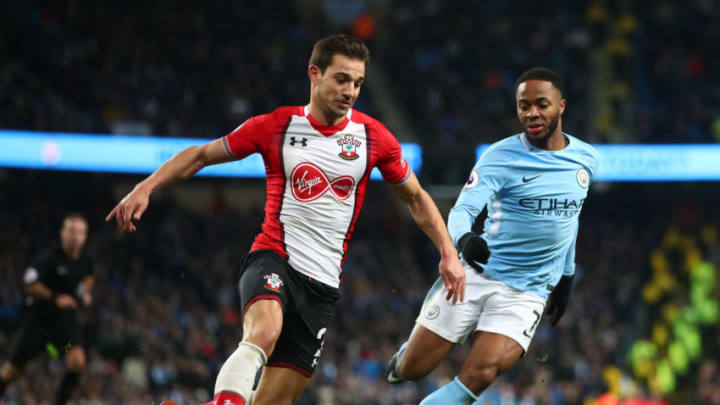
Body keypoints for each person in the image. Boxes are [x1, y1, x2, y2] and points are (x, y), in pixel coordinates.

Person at [105, 34, 466, 405]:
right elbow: (201, 155)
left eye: (357, 83)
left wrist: (448, 253)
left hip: (322, 287)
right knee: (263, 332)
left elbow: (417, 198)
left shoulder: (373, 138)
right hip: (273, 258)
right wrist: (145, 188)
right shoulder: (277, 126)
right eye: (341, 79)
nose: (350, 91)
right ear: (315, 74)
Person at [385, 67, 600, 404]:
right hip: (476, 274)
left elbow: (568, 219)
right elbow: (462, 211)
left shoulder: (586, 159)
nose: (531, 113)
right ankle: (403, 358)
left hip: (528, 291)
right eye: (523, 105)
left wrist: (567, 276)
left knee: (481, 373)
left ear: (561, 105)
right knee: (412, 370)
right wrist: (464, 240)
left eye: (541, 104)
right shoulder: (500, 156)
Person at [0, 213, 94, 405]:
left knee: (77, 361)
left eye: (80, 232)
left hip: (64, 330)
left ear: (85, 236)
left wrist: (85, 294)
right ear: (63, 233)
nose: (75, 236)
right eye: (71, 231)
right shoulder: (47, 258)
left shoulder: (86, 262)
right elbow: (29, 284)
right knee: (12, 371)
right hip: (39, 324)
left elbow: (88, 279)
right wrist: (55, 297)